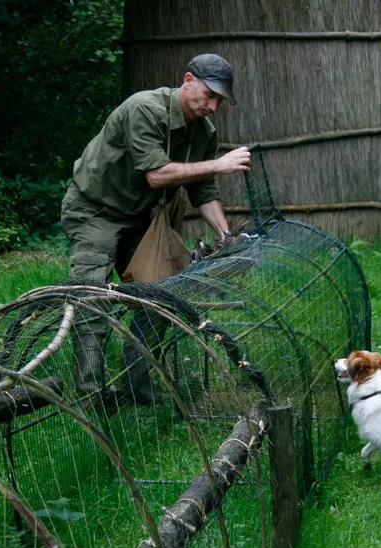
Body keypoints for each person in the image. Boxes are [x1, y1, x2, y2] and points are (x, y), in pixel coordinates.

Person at [60, 53, 250, 404]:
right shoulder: (145, 109)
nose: (213, 107)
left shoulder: (203, 132)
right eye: (209, 95)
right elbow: (156, 174)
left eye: (219, 101)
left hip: (139, 219)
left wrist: (225, 234)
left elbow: (203, 188)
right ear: (188, 80)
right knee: (91, 299)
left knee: (160, 298)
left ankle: (137, 388)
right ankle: (90, 399)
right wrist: (220, 164)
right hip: (95, 211)